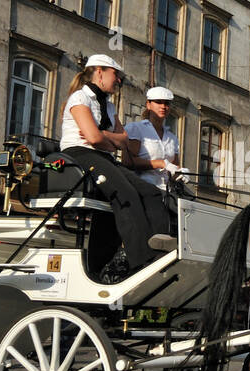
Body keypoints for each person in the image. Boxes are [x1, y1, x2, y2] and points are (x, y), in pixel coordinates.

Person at [59, 54, 175, 271]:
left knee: (150, 192)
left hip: (103, 157)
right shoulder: (79, 98)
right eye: (116, 75)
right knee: (126, 193)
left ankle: (160, 250)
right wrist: (108, 140)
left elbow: (124, 142)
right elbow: (93, 140)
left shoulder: (110, 107)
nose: (119, 80)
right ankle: (141, 260)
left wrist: (105, 137)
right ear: (100, 71)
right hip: (80, 154)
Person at [124, 86, 189, 191]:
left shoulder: (172, 138)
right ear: (148, 105)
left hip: (167, 191)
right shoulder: (136, 128)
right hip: (141, 187)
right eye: (158, 102)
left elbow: (174, 167)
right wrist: (161, 163)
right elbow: (128, 161)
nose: (163, 106)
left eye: (167, 103)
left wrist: (180, 174)